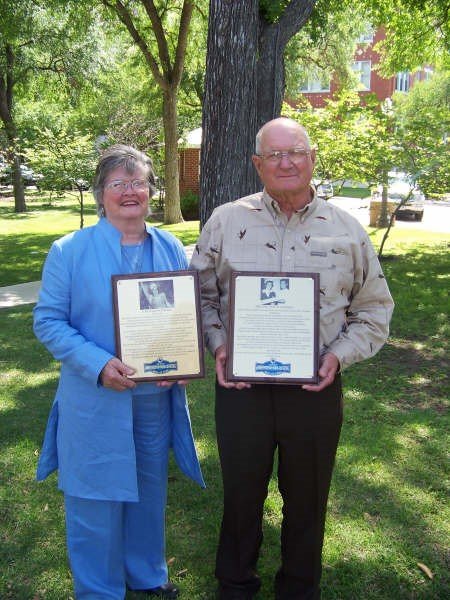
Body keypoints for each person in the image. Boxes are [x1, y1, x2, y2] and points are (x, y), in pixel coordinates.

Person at [190, 117, 394, 600]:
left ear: (311, 158)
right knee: (241, 496)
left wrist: (338, 357)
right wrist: (218, 344)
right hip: (242, 389)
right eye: (274, 155)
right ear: (258, 165)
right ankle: (235, 585)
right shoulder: (226, 220)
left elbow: (373, 309)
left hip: (315, 390)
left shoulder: (346, 229)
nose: (286, 162)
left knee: (307, 500)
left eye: (295, 152)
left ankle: (299, 588)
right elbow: (200, 296)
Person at [34, 144, 205, 600]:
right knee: (94, 496)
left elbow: (182, 316)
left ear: (149, 190)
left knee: (149, 489)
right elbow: (47, 320)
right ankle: (98, 589)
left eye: (138, 183)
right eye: (118, 184)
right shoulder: (70, 250)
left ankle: (147, 574)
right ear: (101, 194)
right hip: (95, 397)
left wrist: (183, 360)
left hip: (153, 397)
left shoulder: (169, 245)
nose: (130, 192)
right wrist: (98, 363)